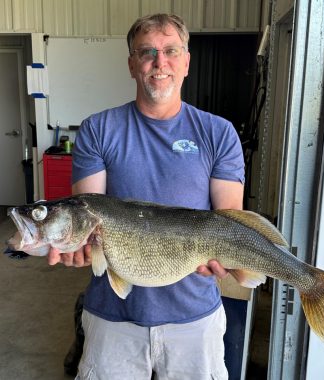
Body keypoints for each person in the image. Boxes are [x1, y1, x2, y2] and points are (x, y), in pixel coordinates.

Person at [48, 13, 245, 380]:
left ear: (186, 61)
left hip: (194, 319)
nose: (160, 62)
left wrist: (229, 261)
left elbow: (230, 220)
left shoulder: (219, 133)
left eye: (171, 50)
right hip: (112, 319)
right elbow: (88, 214)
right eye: (147, 52)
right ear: (131, 64)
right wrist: (76, 244)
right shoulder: (98, 130)